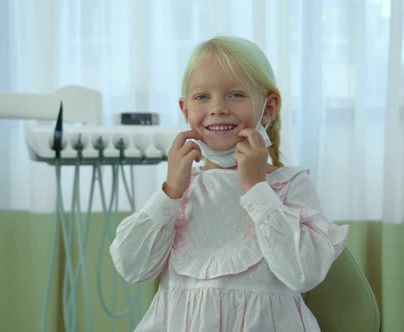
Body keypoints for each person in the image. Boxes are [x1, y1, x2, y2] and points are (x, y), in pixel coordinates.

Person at [110, 36, 348, 331]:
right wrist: (170, 192)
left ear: (269, 107)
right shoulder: (178, 190)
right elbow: (132, 267)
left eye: (236, 94)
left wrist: (257, 189)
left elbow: (303, 273)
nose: (218, 108)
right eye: (202, 97)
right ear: (186, 110)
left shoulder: (290, 185)